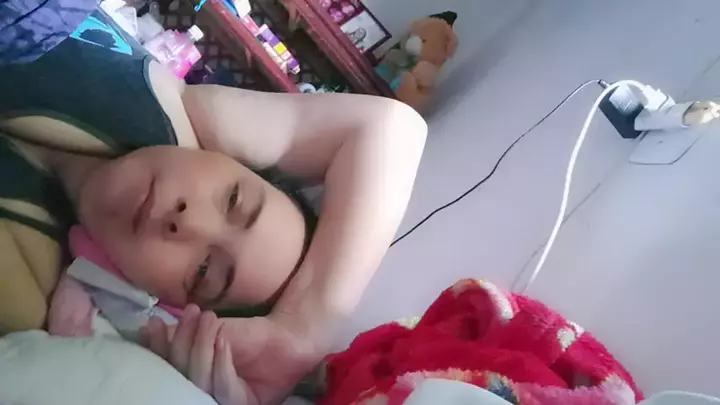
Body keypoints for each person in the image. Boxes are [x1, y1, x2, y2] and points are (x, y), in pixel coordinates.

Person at [0, 1, 427, 404]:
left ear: (156, 300)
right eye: (234, 199)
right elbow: (392, 128)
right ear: (228, 156)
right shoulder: (179, 114)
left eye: (204, 271)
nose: (188, 221)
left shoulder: (28, 290)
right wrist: (303, 333)